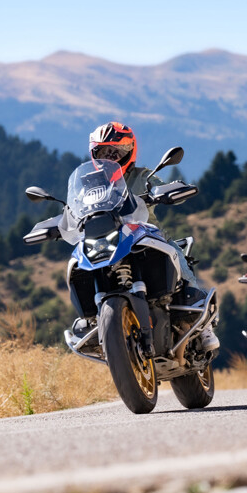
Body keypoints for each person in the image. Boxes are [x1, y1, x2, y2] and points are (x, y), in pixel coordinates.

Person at [84, 122, 219, 352]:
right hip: (108, 242)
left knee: (175, 254)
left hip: (144, 236)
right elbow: (76, 207)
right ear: (95, 154)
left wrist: (165, 192)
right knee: (82, 265)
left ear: (130, 151)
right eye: (104, 152)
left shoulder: (143, 176)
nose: (111, 158)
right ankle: (96, 322)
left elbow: (159, 187)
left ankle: (203, 325)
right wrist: (62, 221)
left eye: (117, 152)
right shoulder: (91, 183)